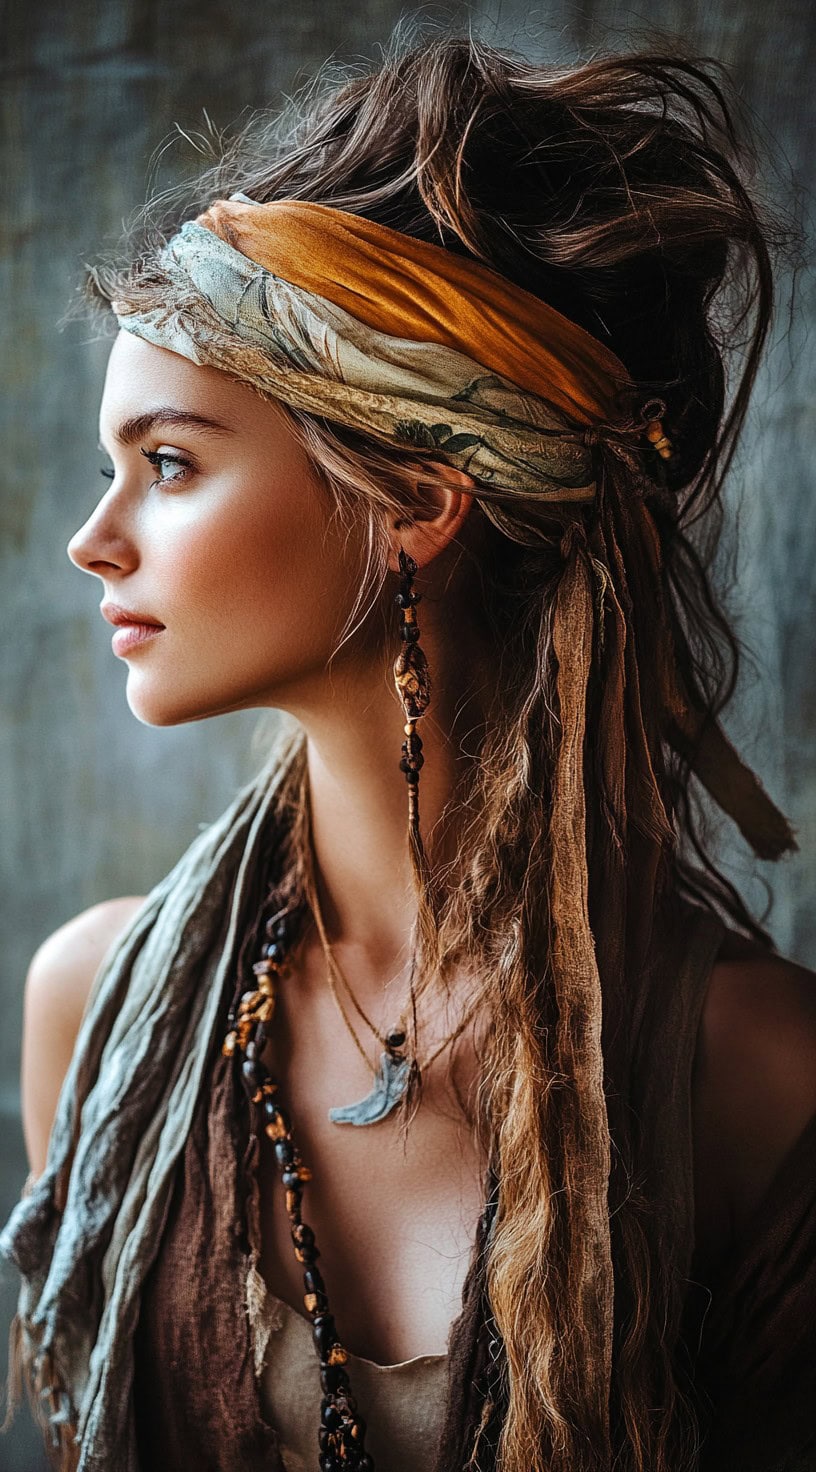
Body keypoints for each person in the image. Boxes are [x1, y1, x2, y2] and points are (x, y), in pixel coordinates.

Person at [2, 25, 815, 1472]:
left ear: (417, 502)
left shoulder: (753, 1080)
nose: (93, 538)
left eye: (171, 462)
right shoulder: (104, 1007)